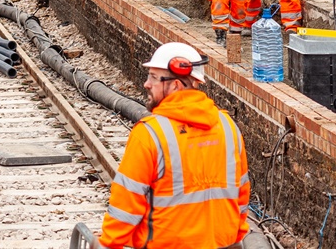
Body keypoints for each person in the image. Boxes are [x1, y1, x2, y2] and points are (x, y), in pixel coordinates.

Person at [99, 42, 250, 249]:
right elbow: (241, 195)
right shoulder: (227, 127)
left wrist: (107, 244)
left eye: (153, 77)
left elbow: (127, 202)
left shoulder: (150, 134)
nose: (146, 84)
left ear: (176, 85)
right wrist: (236, 235)